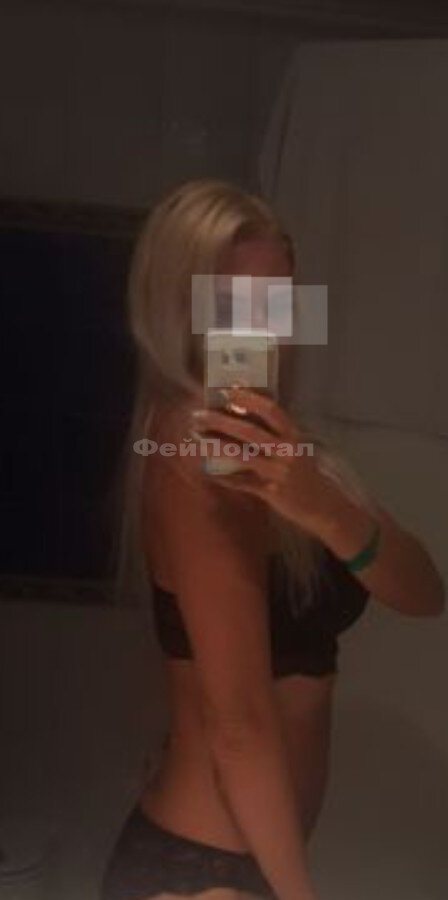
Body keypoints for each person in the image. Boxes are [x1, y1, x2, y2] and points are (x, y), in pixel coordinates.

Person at [100, 178, 445, 900]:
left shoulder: (286, 448)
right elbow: (238, 723)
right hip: (201, 872)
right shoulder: (190, 448)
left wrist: (325, 508)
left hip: (251, 863)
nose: (264, 329)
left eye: (278, 299)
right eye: (233, 303)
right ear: (179, 308)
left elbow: (423, 593)